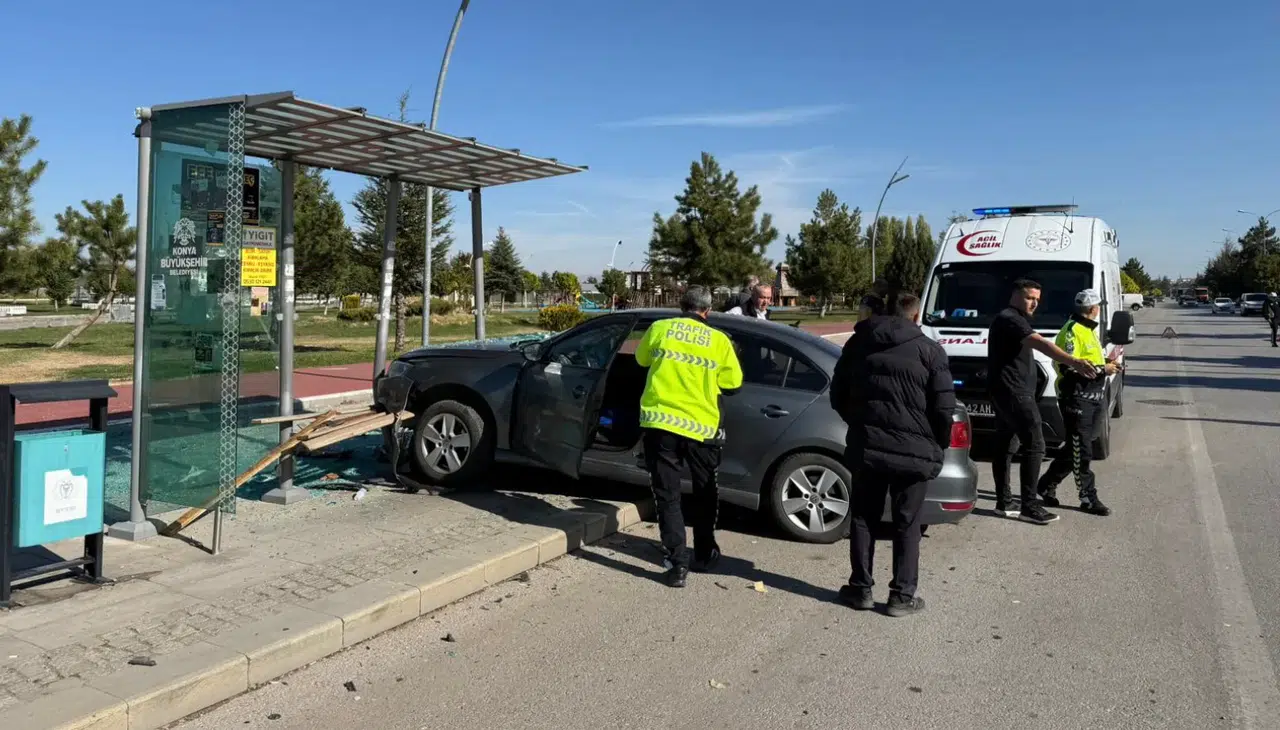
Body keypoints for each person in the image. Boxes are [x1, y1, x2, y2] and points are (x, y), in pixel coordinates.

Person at [830, 292, 955, 617]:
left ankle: (861, 589)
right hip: (914, 450)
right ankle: (901, 596)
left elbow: (838, 394)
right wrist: (937, 443)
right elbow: (944, 407)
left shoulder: (858, 344)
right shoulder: (931, 351)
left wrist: (859, 423)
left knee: (863, 518)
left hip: (867, 446)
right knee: (908, 523)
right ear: (916, 317)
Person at [635, 286, 744, 587]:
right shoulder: (719, 340)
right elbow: (733, 384)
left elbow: (641, 361)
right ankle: (705, 552)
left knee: (667, 495)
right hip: (702, 429)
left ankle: (677, 564)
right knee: (705, 491)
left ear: (681, 306)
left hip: (661, 425)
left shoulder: (660, 328)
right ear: (707, 311)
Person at [987, 279, 1096, 525]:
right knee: (1035, 445)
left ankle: (1004, 502)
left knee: (1005, 446)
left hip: (1007, 391)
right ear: (1014, 295)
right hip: (1015, 392)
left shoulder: (1011, 318)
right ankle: (1029, 506)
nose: (1034, 303)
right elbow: (1040, 343)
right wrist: (1073, 361)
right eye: (1029, 297)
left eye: (1037, 299)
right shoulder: (1011, 319)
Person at [1036, 289, 1119, 516]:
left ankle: (1046, 484)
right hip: (1076, 398)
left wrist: (1107, 362)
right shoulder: (1072, 330)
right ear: (1093, 309)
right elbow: (1069, 368)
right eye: (1098, 306)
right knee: (1082, 451)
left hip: (1094, 396)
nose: (1099, 309)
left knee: (1078, 446)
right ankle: (1088, 497)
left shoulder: (1088, 329)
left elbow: (1089, 359)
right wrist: (1103, 369)